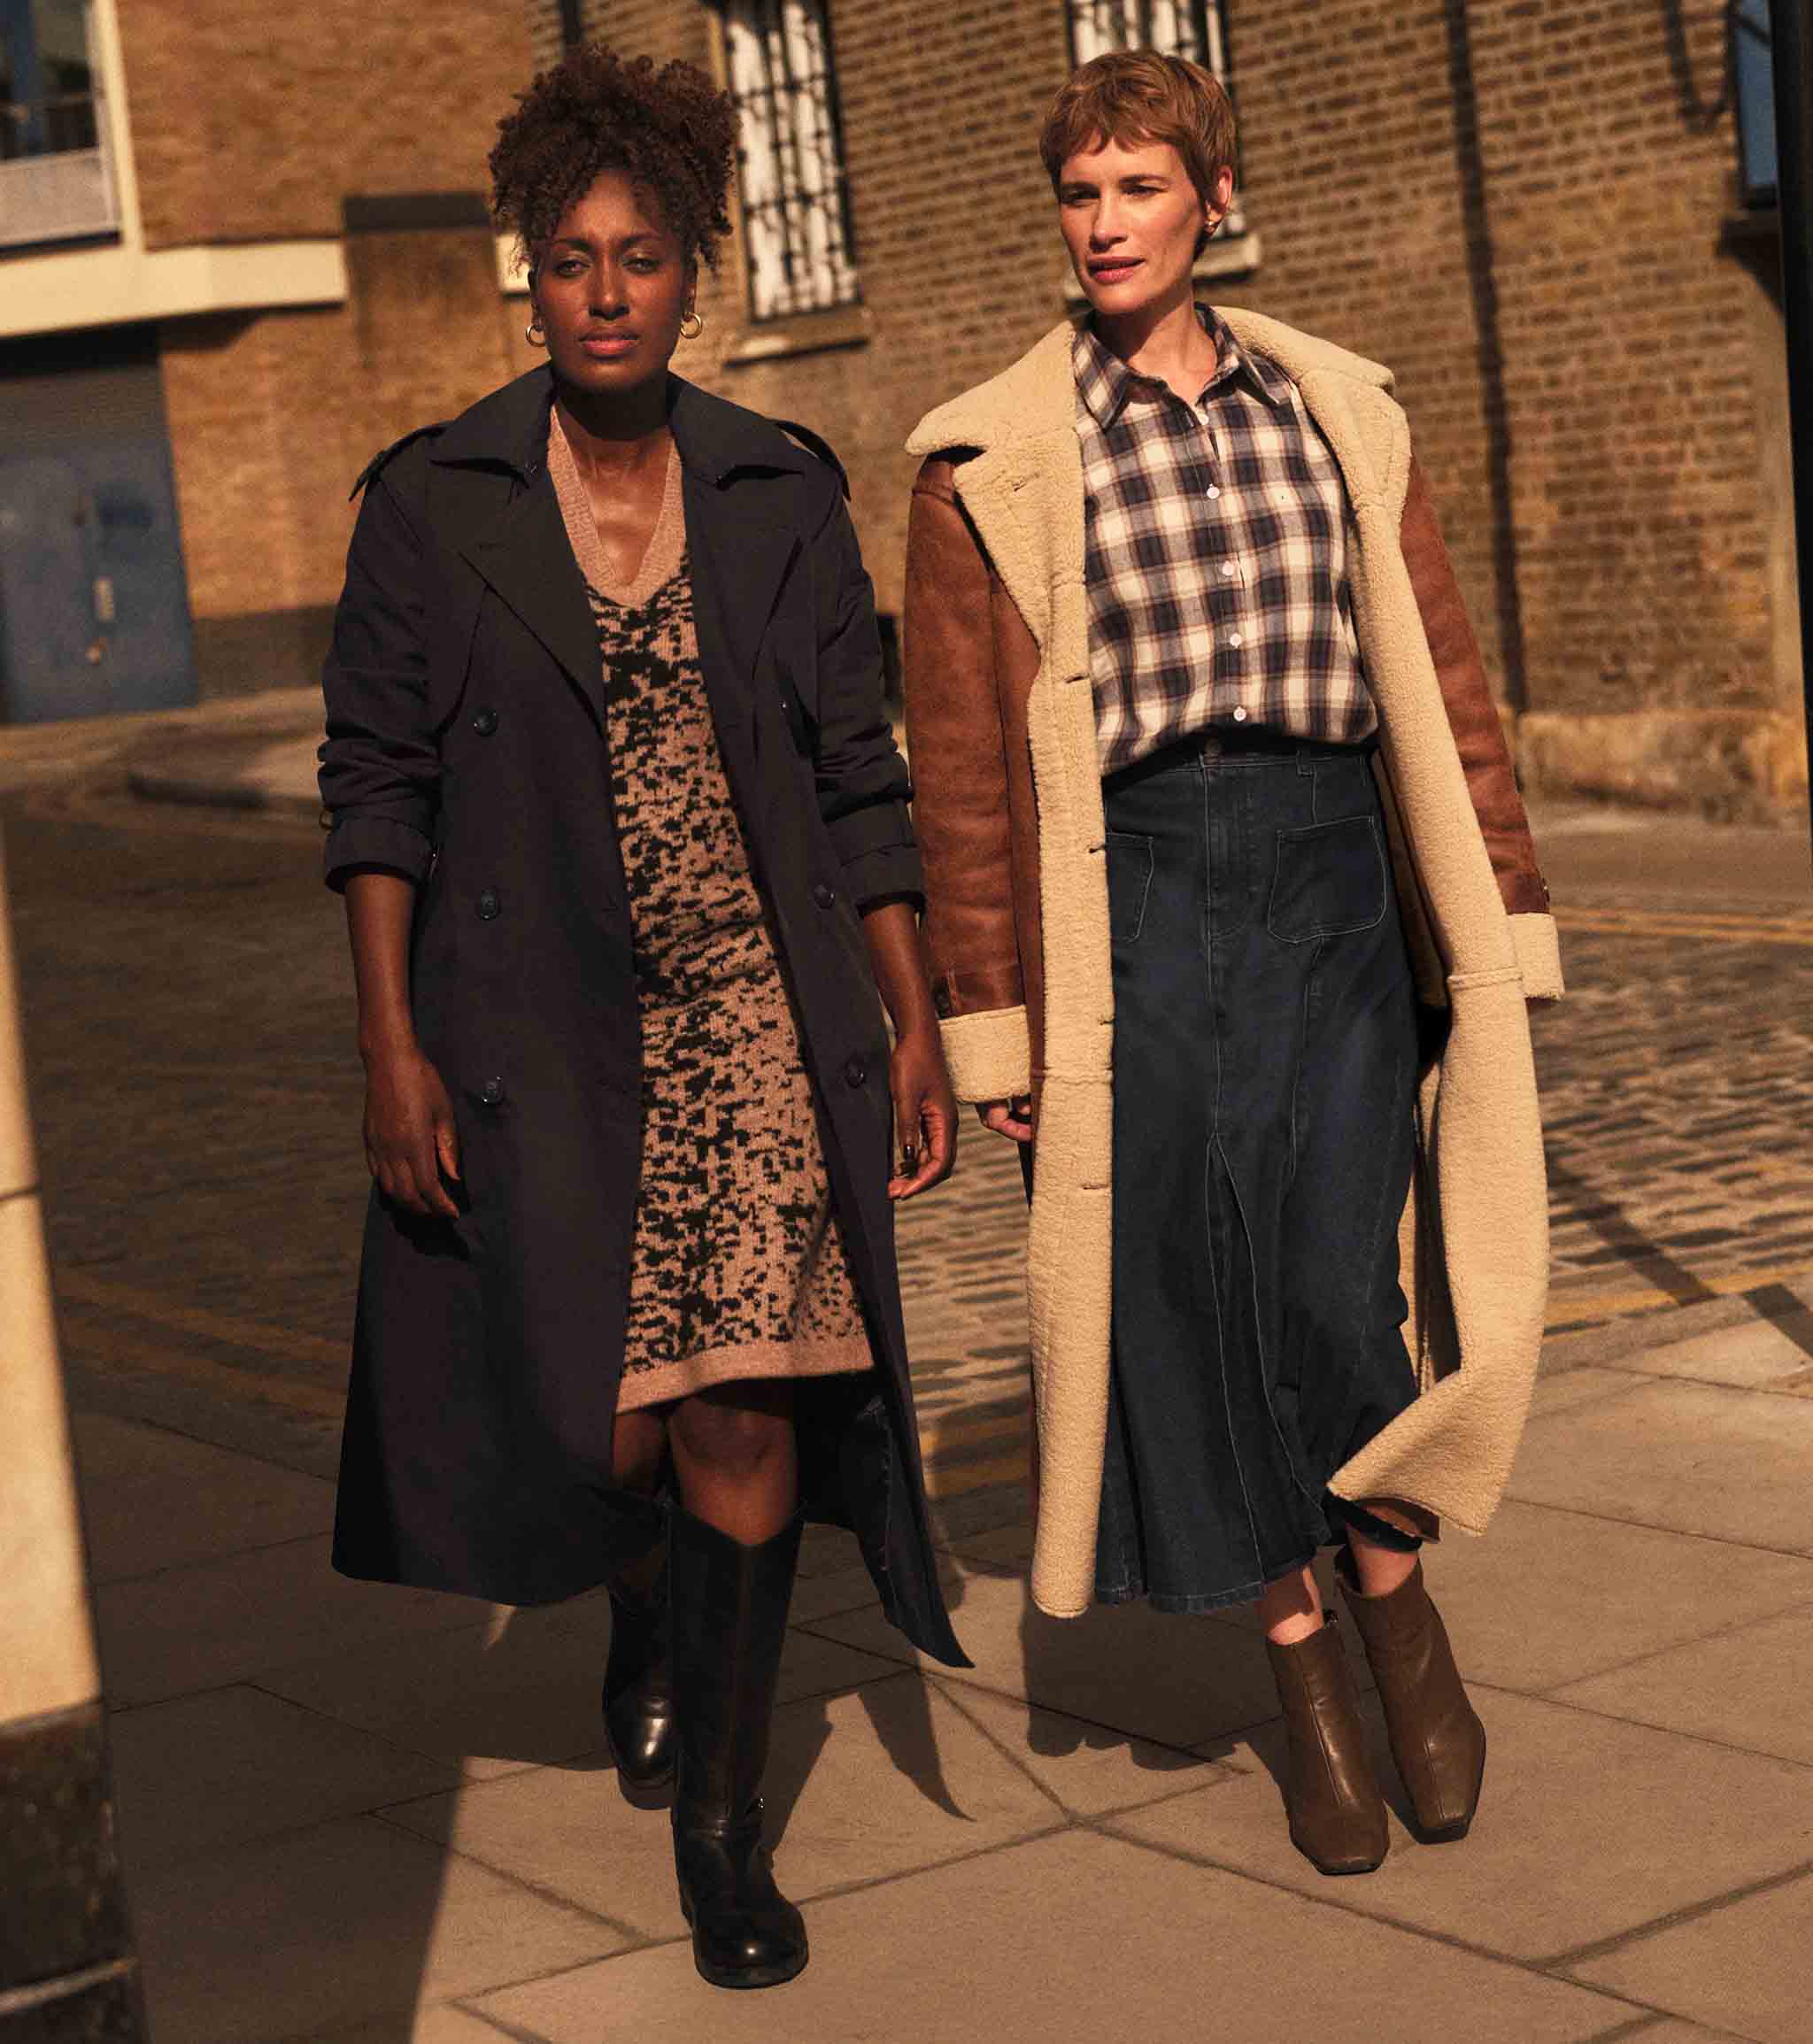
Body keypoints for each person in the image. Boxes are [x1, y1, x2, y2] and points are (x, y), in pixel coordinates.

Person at [318, 45, 964, 1990]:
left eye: (644, 257)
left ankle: (723, 1835)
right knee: (602, 1433)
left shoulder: (777, 488)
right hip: (534, 1029)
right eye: (572, 259)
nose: (606, 292)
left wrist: (912, 1014)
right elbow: (375, 791)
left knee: (744, 1402)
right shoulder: (433, 500)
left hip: (756, 1015)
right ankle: (645, 1609)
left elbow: (857, 775)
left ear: (695, 275)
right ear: (531, 278)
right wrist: (391, 1046)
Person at [901, 50, 1562, 1877]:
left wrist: (1501, 911)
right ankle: (1303, 1671)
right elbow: (959, 774)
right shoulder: (986, 458)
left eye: (1138, 188)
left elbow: (1441, 676)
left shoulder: (1333, 408)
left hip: (1333, 871)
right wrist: (993, 1021)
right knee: (1194, 1291)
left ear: (1211, 200)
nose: (1104, 224)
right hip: (1134, 893)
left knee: (1342, 1281)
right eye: (1080, 192)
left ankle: (1395, 1602)